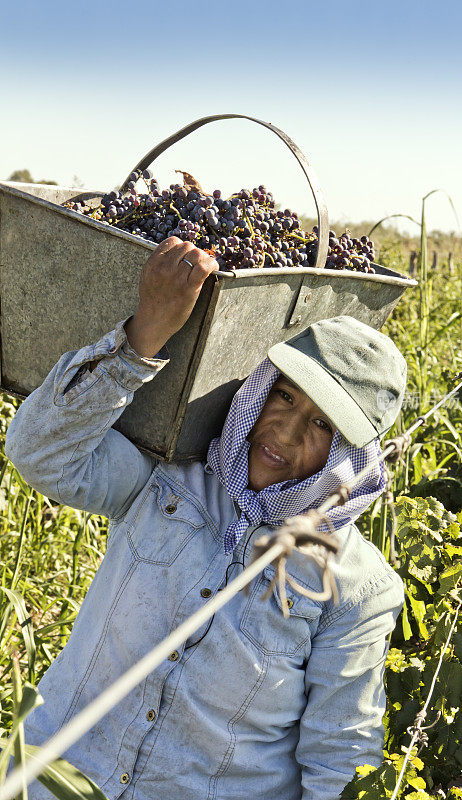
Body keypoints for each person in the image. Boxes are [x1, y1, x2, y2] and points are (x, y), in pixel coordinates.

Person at [5, 236, 407, 800]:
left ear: (349, 455)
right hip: (54, 779)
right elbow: (39, 453)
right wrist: (144, 336)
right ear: (259, 390)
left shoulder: (354, 589)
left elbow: (341, 755)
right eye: (285, 398)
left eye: (321, 427)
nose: (285, 433)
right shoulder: (172, 480)